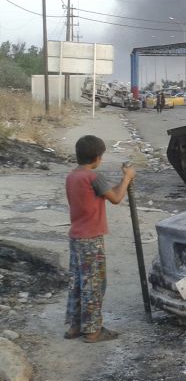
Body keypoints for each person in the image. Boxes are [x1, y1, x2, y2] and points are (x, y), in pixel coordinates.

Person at [64, 135, 135, 342]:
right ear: (97, 157)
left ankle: (74, 326)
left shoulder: (72, 176)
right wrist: (127, 178)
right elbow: (115, 198)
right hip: (91, 239)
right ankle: (93, 330)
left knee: (77, 282)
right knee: (94, 284)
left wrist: (119, 181)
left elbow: (102, 192)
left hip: (77, 237)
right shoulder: (93, 177)